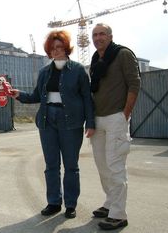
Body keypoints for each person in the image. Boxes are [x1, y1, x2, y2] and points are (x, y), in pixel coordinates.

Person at [9, 30, 95, 219]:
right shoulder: (44, 72)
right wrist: (18, 94)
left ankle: (71, 205)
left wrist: (90, 122)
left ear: (66, 47)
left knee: (71, 165)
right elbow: (36, 96)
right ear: (49, 51)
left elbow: (87, 98)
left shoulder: (78, 70)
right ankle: (54, 202)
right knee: (51, 165)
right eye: (52, 48)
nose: (56, 50)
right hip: (48, 120)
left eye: (59, 46)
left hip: (71, 121)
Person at [89, 23, 141, 230]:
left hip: (116, 118)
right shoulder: (95, 59)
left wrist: (124, 115)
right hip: (98, 119)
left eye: (102, 34)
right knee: (102, 166)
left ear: (110, 36)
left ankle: (119, 214)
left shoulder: (123, 54)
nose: (98, 38)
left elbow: (134, 84)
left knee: (115, 166)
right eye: (95, 35)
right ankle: (110, 203)